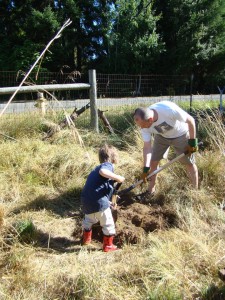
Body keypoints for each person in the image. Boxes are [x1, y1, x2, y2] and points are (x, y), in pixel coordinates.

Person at [133, 101, 198, 196]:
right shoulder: (144, 125)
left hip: (181, 134)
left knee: (189, 163)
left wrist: (192, 142)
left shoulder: (168, 110)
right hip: (162, 135)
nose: (142, 128)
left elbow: (191, 120)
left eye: (143, 125)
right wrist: (145, 169)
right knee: (153, 162)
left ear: (150, 120)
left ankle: (195, 192)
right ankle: (150, 192)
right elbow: (147, 147)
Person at [81, 144, 125, 252]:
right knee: (108, 223)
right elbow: (104, 172)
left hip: (86, 201)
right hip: (98, 202)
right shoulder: (107, 166)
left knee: (89, 220)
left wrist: (109, 201)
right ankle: (108, 246)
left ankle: (86, 239)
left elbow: (100, 189)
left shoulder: (95, 170)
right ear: (113, 157)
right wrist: (118, 178)